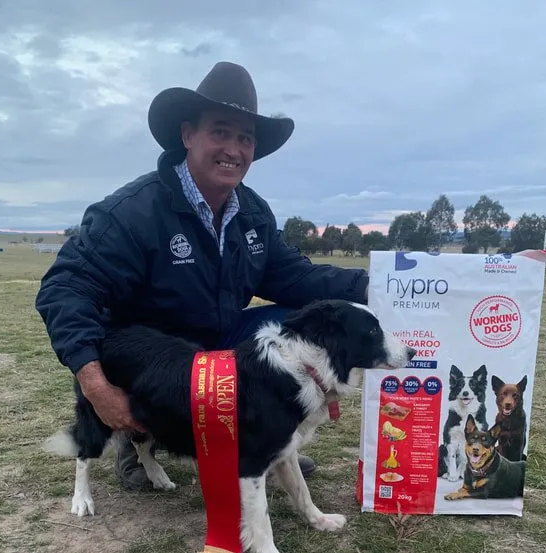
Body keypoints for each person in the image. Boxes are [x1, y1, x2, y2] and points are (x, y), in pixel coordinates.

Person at [35, 61, 369, 491]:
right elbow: (66, 288)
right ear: (188, 134)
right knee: (157, 364)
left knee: (299, 318)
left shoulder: (252, 212)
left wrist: (371, 284)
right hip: (149, 356)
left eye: (245, 138)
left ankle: (266, 439)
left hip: (216, 343)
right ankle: (140, 443)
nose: (234, 148)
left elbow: (293, 276)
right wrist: (96, 385)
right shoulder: (131, 212)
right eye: (221, 131)